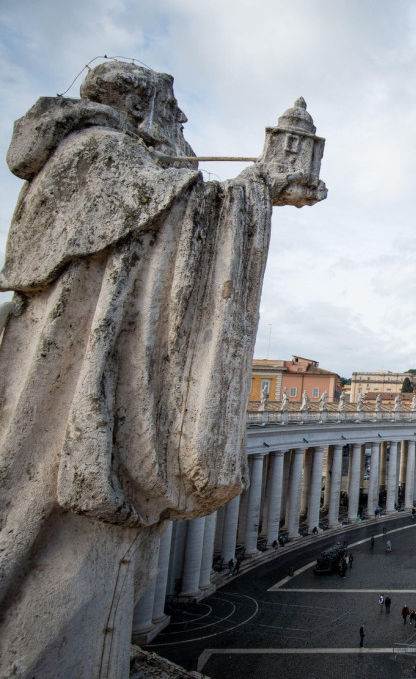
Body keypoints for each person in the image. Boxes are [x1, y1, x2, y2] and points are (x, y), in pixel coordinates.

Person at [0, 60, 326, 678]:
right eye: (174, 113)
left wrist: (260, 187)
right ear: (142, 107)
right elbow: (174, 217)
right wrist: (260, 186)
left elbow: (170, 209)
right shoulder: (100, 156)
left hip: (85, 354)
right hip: (75, 369)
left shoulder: (109, 161)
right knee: (60, 567)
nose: (181, 126)